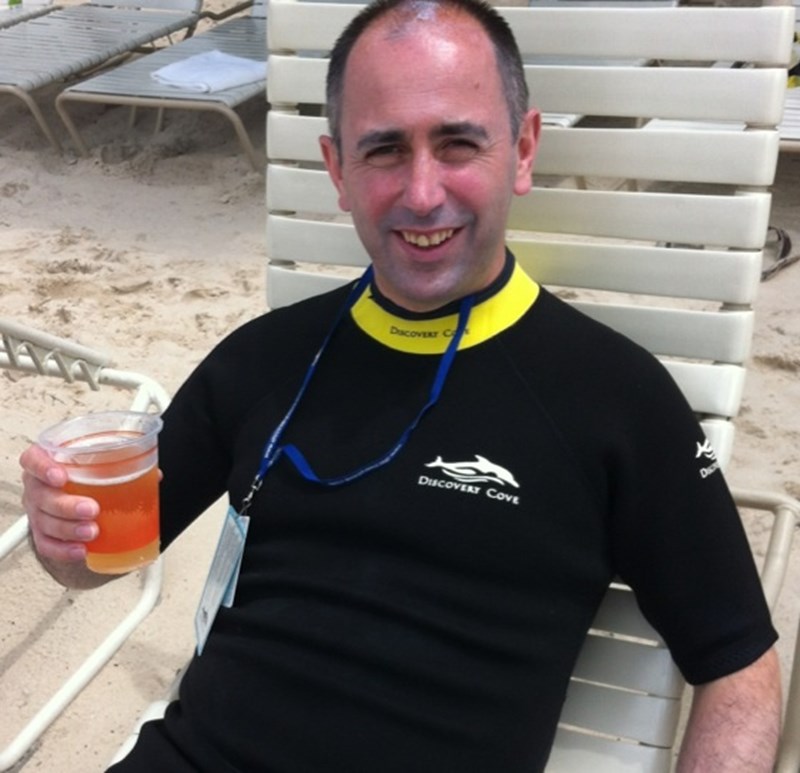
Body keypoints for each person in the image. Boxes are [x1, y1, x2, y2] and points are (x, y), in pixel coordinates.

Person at [20, 0, 781, 770]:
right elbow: (99, 557)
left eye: (458, 144)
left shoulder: (616, 399)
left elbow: (739, 663)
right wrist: (61, 534)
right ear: (337, 170)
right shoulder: (264, 359)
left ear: (522, 150)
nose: (422, 194)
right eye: (384, 150)